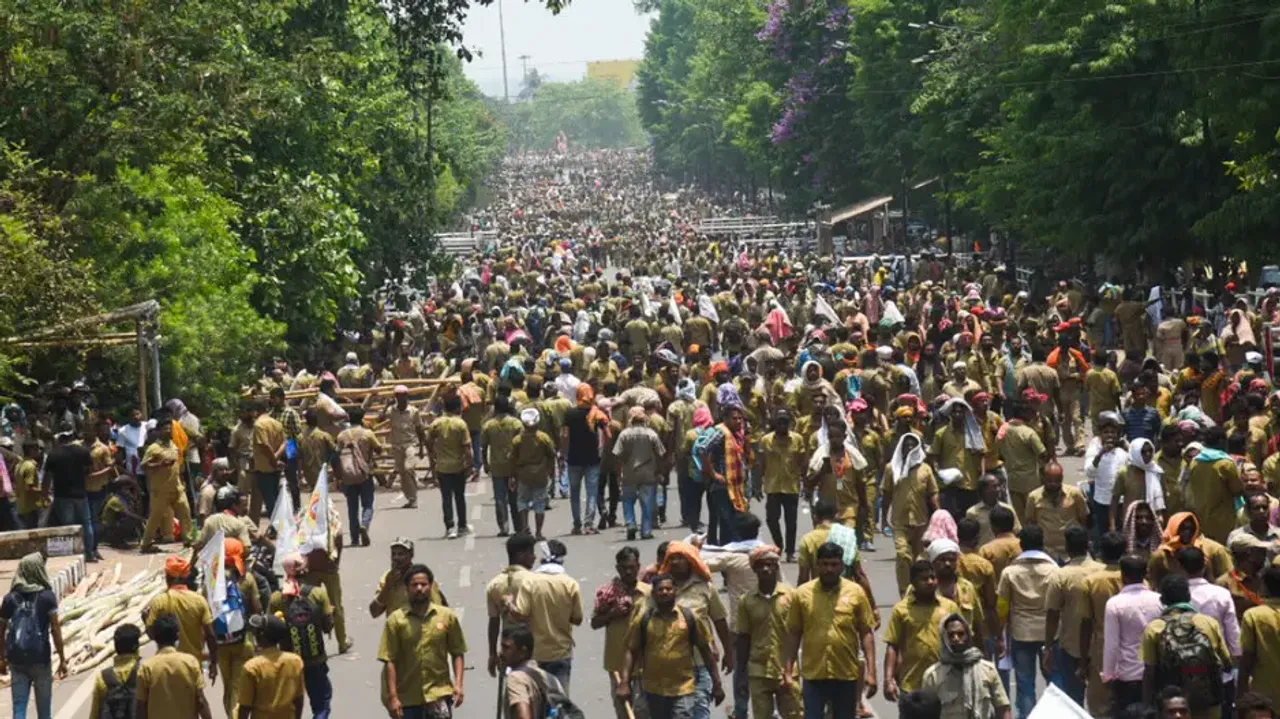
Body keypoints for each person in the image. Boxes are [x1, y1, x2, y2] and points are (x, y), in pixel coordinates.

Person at [785, 542, 879, 718]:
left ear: (842, 566)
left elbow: (866, 632)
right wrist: (788, 670)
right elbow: (794, 633)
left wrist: (872, 673)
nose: (829, 569)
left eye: (834, 564)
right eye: (825, 564)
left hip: (845, 675)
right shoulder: (802, 594)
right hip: (814, 675)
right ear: (817, 565)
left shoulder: (856, 592)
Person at [618, 573, 725, 719]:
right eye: (660, 590)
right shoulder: (644, 619)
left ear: (675, 591)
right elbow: (631, 650)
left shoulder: (689, 617)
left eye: (668, 589)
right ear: (654, 594)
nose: (664, 592)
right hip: (653, 689)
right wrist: (625, 683)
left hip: (683, 688)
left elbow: (705, 651)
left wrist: (717, 684)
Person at [380, 564, 468, 719]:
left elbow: (457, 652)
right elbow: (390, 660)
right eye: (414, 585)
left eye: (424, 584)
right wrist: (393, 697)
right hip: (407, 699)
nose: (419, 588)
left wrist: (459, 685)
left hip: (439, 695)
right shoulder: (395, 620)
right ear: (407, 588)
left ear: (431, 586)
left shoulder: (447, 616)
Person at [1141, 574, 1234, 718]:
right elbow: (1227, 664)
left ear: (1162, 599)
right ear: (1189, 596)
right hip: (1208, 702)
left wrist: (1147, 705)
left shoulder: (1154, 628)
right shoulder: (1208, 623)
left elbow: (1150, 672)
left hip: (1172, 708)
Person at [661, 540, 736, 719]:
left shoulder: (705, 588)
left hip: (700, 662)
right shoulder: (661, 590)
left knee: (700, 711)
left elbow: (719, 621)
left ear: (690, 561)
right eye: (672, 558)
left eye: (680, 558)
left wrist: (729, 652)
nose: (676, 562)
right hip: (668, 666)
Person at [996, 524, 1056, 719]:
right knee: (1052, 682)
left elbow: (1002, 607)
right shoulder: (1054, 570)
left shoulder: (1010, 572)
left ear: (1021, 545)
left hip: (1022, 634)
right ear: (1042, 544)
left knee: (1025, 684)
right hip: (1050, 634)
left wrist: (1000, 635)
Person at [736, 544, 801, 719]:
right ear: (754, 569)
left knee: (795, 715)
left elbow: (800, 632)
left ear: (776, 567)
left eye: (770, 564)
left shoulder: (791, 596)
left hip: (787, 670)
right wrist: (740, 675)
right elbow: (743, 637)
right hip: (758, 671)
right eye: (761, 565)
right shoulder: (746, 601)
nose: (765, 569)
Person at [0, 553, 67, 719]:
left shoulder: (9, 599)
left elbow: (0, 631)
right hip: (41, 658)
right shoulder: (47, 597)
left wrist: (2, 658)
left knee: (19, 707)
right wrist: (62, 658)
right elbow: (56, 630)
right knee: (44, 710)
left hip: (16, 659)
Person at [511, 541, 584, 692]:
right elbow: (577, 619)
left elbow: (520, 614)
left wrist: (508, 604)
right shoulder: (570, 584)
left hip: (535, 653)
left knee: (535, 702)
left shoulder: (530, 582)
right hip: (561, 652)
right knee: (560, 703)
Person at [268, 552, 335, 719]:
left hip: (288, 661)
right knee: (321, 703)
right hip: (315, 659)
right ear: (305, 570)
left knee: (290, 706)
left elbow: (271, 629)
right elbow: (327, 626)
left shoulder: (277, 598)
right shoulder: (318, 594)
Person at [1040, 525, 1101, 704]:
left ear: (1067, 547)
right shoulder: (1103, 571)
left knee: (1074, 700)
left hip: (1071, 647)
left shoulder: (1061, 575)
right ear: (1088, 545)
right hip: (1100, 646)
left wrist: (1048, 647)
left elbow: (1052, 613)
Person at [1179, 545, 1243, 715]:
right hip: (1219, 671)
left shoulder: (1175, 595)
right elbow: (1233, 635)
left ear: (1180, 567)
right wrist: (1234, 661)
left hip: (1184, 673)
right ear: (1205, 565)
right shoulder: (1221, 594)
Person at [884, 560, 961, 700]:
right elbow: (892, 645)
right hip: (912, 684)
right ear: (913, 582)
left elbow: (962, 640)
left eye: (933, 577)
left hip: (945, 683)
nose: (930, 582)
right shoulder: (901, 610)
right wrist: (888, 680)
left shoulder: (950, 607)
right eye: (924, 579)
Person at [594, 546, 652, 719]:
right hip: (617, 665)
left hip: (645, 665)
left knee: (643, 712)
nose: (628, 572)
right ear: (617, 568)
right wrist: (613, 613)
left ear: (638, 567)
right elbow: (595, 623)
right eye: (624, 567)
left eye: (632, 567)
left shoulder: (649, 593)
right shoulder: (607, 594)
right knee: (624, 713)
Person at [920, 613, 1011, 719]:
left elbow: (1003, 708)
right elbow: (925, 714)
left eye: (960, 634)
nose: (956, 638)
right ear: (944, 638)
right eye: (951, 635)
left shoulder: (988, 670)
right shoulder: (932, 676)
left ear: (968, 635)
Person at [883, 432, 940, 596]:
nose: (909, 448)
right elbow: (886, 494)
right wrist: (884, 519)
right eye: (906, 445)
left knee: (920, 560)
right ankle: (904, 591)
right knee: (903, 556)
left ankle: (919, 591)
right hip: (900, 522)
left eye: (912, 445)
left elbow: (933, 493)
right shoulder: (891, 468)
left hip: (921, 522)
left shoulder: (925, 469)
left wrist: (937, 515)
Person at [142, 555, 218, 674]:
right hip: (193, 665)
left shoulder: (159, 601)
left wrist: (145, 620)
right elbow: (210, 635)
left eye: (167, 576)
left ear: (173, 578)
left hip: (167, 667)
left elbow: (152, 635)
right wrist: (213, 662)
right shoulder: (199, 600)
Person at [217, 537, 263, 719]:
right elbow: (257, 609)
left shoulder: (212, 581)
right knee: (239, 689)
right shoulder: (246, 579)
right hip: (244, 642)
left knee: (229, 688)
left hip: (221, 644)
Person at [136, 614, 212, 719]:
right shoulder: (190, 662)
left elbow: (141, 706)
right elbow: (200, 700)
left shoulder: (147, 667)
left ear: (155, 638)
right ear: (177, 635)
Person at [139, 417, 193, 552]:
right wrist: (159, 464)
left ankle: (189, 540)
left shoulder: (173, 445)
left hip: (176, 487)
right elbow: (144, 466)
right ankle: (145, 544)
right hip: (160, 490)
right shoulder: (154, 448)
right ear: (158, 431)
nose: (168, 431)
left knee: (185, 511)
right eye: (165, 429)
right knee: (155, 517)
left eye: (170, 428)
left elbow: (178, 465)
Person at [487, 534, 536, 680]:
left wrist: (492, 654)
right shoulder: (533, 581)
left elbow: (494, 621)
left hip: (508, 647)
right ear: (521, 555)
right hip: (532, 646)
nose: (534, 557)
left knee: (509, 690)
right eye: (531, 553)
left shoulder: (494, 584)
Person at [237, 615, 305, 719]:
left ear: (260, 636)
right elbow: (299, 699)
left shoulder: (251, 667)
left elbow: (245, 708)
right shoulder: (295, 661)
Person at [760, 411, 805, 562]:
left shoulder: (797, 439)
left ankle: (791, 552)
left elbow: (802, 462)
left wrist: (805, 482)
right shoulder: (766, 440)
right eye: (779, 422)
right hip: (772, 486)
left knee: (791, 521)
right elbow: (761, 463)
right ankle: (779, 546)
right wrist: (756, 484)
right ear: (775, 423)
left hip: (791, 486)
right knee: (771, 519)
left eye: (785, 422)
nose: (782, 425)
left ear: (789, 423)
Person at [427, 394, 474, 539]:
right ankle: (462, 526)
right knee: (459, 497)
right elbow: (467, 447)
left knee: (446, 498)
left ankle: (450, 527)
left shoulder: (436, 423)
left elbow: (428, 441)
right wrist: (470, 465)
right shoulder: (460, 424)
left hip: (442, 466)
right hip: (458, 466)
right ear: (458, 407)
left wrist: (433, 456)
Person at [1023, 461, 1089, 560]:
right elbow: (1030, 522)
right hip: (1046, 552)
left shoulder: (1075, 494)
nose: (1053, 484)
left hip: (1071, 551)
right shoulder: (1033, 497)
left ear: (1062, 479)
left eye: (1057, 481)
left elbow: (1083, 518)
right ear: (1044, 478)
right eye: (1049, 481)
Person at [336, 407, 383, 547]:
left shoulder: (341, 436)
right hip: (365, 474)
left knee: (352, 507)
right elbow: (379, 449)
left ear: (349, 419)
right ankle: (365, 524)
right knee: (367, 504)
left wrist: (338, 478)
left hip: (348, 475)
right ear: (362, 418)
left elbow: (337, 456)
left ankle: (355, 538)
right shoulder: (367, 434)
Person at [512, 407, 558, 540]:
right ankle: (538, 532)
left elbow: (512, 459)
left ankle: (525, 528)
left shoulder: (517, 440)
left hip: (523, 475)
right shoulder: (543, 437)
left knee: (522, 502)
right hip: (540, 475)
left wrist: (513, 476)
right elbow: (552, 454)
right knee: (539, 505)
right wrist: (551, 470)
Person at [481, 396, 524, 536]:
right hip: (514, 467)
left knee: (500, 499)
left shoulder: (488, 425)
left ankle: (503, 527)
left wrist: (485, 463)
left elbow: (483, 446)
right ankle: (519, 527)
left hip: (496, 466)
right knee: (515, 498)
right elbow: (521, 444)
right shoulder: (516, 424)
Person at [1239, 566, 1280, 712]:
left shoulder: (1254, 615)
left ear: (1265, 587)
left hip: (1264, 697)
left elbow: (1247, 658)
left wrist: (1241, 694)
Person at [382, 385, 427, 509]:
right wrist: (386, 405)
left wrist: (422, 448)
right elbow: (380, 418)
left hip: (410, 444)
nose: (400, 399)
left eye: (402, 396)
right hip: (396, 445)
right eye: (397, 396)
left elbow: (419, 429)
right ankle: (411, 498)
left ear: (406, 396)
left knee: (408, 468)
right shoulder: (392, 410)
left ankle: (414, 496)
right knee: (402, 473)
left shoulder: (413, 411)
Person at [89, 625, 142, 719]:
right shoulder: (144, 672)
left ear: (116, 647)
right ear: (136, 646)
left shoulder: (102, 677)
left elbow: (94, 714)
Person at [500, 625, 550, 719]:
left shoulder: (516, 678)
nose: (501, 653)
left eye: (506, 648)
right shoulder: (539, 673)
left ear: (523, 651)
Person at [251, 398, 287, 520]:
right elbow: (284, 443)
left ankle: (275, 527)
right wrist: (277, 458)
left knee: (269, 499)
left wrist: (273, 459)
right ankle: (280, 524)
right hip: (275, 467)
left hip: (264, 467)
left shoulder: (258, 425)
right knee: (276, 497)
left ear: (256, 411)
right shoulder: (277, 423)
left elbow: (264, 445)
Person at [964, 473, 1021, 548]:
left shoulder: (1008, 509)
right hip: (983, 554)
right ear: (984, 490)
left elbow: (1017, 531)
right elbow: (969, 539)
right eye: (994, 486)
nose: (998, 489)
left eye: (998, 486)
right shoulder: (972, 513)